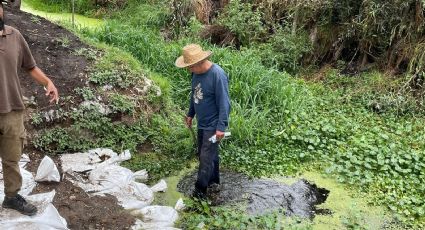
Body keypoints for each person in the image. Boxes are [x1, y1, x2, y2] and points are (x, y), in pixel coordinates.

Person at [0, 2, 59, 216]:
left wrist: (48, 83)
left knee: (12, 157)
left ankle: (11, 196)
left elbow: (30, 66)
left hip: (12, 109)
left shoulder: (14, 36)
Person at [175, 44, 230, 199]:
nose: (189, 70)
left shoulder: (217, 75)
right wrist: (190, 113)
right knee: (209, 154)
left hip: (213, 126)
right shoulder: (196, 74)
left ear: (199, 62)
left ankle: (199, 193)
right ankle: (214, 183)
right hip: (202, 123)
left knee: (205, 158)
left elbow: (224, 103)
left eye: (190, 67)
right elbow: (195, 95)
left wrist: (221, 127)